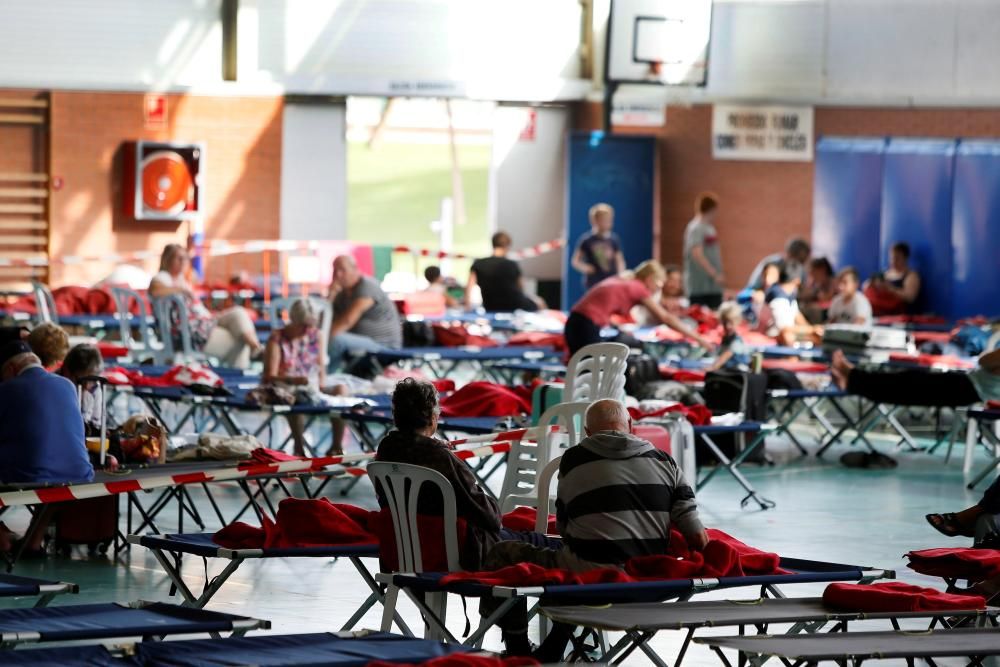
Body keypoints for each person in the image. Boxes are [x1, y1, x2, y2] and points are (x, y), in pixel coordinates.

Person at [482, 398, 708, 660]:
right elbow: (696, 535)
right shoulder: (665, 461)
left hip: (590, 577)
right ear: (631, 425)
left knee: (504, 551)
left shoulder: (574, 459)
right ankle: (555, 643)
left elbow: (567, 530)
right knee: (584, 556)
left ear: (587, 432)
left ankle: (518, 648)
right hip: (649, 581)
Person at [374, 378, 560, 655]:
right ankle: (528, 643)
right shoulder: (441, 458)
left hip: (406, 551)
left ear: (396, 415)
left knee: (517, 541)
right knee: (538, 546)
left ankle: (520, 640)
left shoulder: (385, 452)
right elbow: (490, 518)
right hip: (456, 554)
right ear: (433, 417)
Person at [564, 260, 714, 357]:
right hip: (584, 325)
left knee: (582, 369)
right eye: (658, 285)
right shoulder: (638, 287)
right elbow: (666, 318)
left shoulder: (624, 281)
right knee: (591, 370)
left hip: (576, 322)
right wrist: (700, 339)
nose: (656, 290)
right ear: (649, 280)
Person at [149, 244, 262, 369]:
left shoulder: (182, 280)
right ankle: (241, 370)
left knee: (239, 312)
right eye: (178, 258)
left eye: (185, 258)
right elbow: (155, 291)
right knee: (239, 340)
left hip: (205, 321)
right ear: (167, 260)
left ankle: (255, 347)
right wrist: (181, 290)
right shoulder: (162, 278)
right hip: (190, 332)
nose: (183, 262)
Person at [0, 341, 93, 485]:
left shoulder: (6, 389)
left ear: (11, 369)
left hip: (31, 478)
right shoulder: (68, 385)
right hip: (81, 475)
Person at [263, 298, 348, 455]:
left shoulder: (316, 335)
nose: (307, 330)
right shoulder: (277, 339)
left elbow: (321, 366)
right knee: (295, 396)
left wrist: (321, 385)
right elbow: (269, 377)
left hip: (310, 386)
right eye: (304, 326)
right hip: (286, 387)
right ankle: (299, 446)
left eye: (310, 326)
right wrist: (293, 379)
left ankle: (336, 446)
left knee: (341, 390)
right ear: (294, 321)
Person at [831, 348, 1000, 408]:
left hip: (973, 390)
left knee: (906, 385)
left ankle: (851, 378)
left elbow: (984, 361)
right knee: (907, 381)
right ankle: (851, 379)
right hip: (970, 385)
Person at [327, 255, 402, 372]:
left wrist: (320, 338)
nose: (338, 275)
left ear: (355, 269)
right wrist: (331, 295)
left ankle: (325, 378)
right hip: (361, 342)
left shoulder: (367, 286)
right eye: (335, 270)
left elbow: (346, 321)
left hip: (383, 345)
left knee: (336, 340)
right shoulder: (342, 294)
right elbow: (328, 320)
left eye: (342, 270)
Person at [465, 232, 544, 313]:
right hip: (515, 305)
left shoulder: (478, 264)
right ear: (507, 246)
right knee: (540, 302)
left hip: (490, 306)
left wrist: (467, 306)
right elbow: (521, 288)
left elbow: (468, 287)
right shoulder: (512, 265)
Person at [757, 266, 822, 347]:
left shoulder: (789, 294)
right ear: (797, 281)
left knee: (819, 337)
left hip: (787, 334)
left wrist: (815, 330)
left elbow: (798, 317)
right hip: (772, 337)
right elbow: (784, 329)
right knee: (788, 336)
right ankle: (792, 359)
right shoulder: (777, 295)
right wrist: (812, 330)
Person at [683, 193, 725, 309]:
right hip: (700, 286)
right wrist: (714, 274)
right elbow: (697, 253)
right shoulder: (695, 228)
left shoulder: (709, 227)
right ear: (711, 209)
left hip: (712, 287)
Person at [571, 203, 625, 290]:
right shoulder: (586, 240)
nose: (608, 223)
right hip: (594, 281)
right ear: (594, 221)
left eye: (609, 220)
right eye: (604, 220)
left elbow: (620, 260)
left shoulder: (614, 239)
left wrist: (621, 274)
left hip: (611, 280)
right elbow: (575, 261)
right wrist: (585, 268)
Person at [59, 344, 108, 434]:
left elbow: (97, 421)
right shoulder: (54, 387)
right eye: (82, 381)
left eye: (92, 380)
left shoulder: (95, 388)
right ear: (67, 371)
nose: (87, 386)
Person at [864, 242, 921, 315]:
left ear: (905, 258)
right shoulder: (885, 274)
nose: (893, 261)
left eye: (897, 258)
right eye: (892, 258)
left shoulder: (911, 276)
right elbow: (865, 286)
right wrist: (871, 284)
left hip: (898, 313)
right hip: (880, 310)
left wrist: (890, 288)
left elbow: (910, 298)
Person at [745, 237, 811, 291]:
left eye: (802, 261)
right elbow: (754, 287)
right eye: (799, 260)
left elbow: (802, 289)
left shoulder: (801, 270)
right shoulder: (772, 263)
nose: (799, 264)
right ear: (789, 254)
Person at [709, 302, 750, 371]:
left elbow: (727, 354)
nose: (727, 326)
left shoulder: (737, 340)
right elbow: (720, 355)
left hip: (738, 372)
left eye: (731, 322)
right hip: (728, 369)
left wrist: (713, 367)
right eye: (725, 322)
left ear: (737, 321)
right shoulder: (726, 338)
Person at [799, 257, 836, 323]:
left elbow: (826, 298)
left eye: (813, 270)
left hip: (826, 314)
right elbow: (805, 296)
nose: (811, 273)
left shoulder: (832, 282)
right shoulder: (814, 283)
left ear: (822, 269)